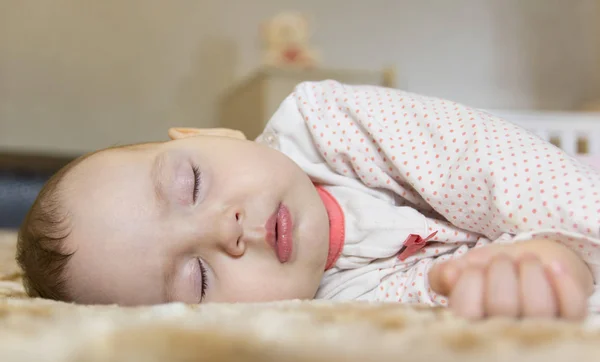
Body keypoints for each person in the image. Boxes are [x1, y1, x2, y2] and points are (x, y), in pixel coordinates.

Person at [16, 80, 600, 320]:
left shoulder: (325, 123)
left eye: (191, 185)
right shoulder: (331, 315)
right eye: (196, 279)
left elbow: (480, 160)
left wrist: (572, 243)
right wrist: (526, 278)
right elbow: (455, 300)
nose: (228, 230)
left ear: (208, 137)